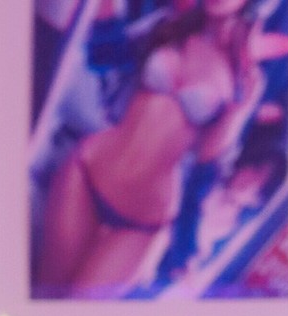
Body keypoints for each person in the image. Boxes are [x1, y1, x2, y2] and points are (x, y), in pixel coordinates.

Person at [34, 0, 273, 298]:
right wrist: (104, 11)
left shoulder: (245, 79)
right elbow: (106, 58)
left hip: (141, 218)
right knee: (46, 295)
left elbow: (206, 168)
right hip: (89, 172)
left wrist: (185, 246)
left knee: (80, 312)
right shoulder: (170, 26)